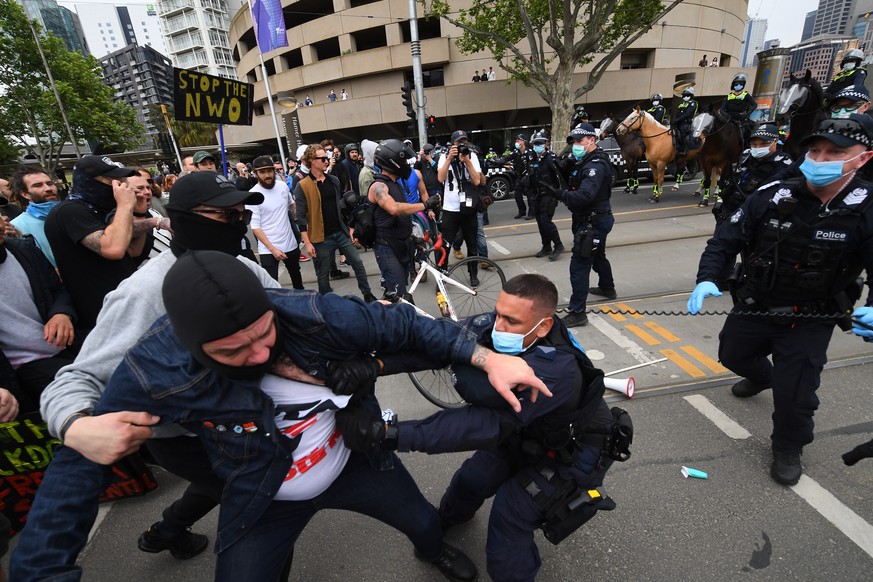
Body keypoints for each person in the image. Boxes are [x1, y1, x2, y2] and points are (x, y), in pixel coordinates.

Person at [18, 249, 550, 581]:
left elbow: (413, 330)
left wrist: (488, 357)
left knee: (424, 523)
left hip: (355, 461)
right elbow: (72, 478)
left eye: (262, 335)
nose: (256, 355)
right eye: (231, 352)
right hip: (263, 491)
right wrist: (78, 431)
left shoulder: (315, 314)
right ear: (190, 343)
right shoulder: (154, 367)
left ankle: (433, 552)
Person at [11, 173, 279, 581]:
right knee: (261, 506)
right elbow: (75, 379)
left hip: (235, 422)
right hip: (181, 438)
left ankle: (168, 530)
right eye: (226, 215)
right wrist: (75, 425)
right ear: (187, 220)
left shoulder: (241, 266)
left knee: (227, 484)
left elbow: (297, 312)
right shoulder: (144, 293)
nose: (238, 223)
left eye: (242, 214)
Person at [334, 274, 623, 582]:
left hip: (569, 453)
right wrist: (377, 366)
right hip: (526, 434)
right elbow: (446, 344)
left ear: (545, 326)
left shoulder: (554, 371)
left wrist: (390, 434)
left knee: (510, 514)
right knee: (473, 479)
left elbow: (482, 425)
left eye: (510, 321)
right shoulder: (505, 327)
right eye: (498, 313)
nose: (498, 326)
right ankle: (443, 523)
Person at [687, 114, 873, 486]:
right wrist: (708, 278)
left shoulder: (867, 208)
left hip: (812, 315)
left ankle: (788, 446)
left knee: (796, 394)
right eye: (815, 150)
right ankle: (763, 377)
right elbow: (725, 240)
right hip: (756, 301)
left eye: (835, 152)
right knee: (732, 355)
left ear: (863, 158)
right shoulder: (773, 193)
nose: (820, 160)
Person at [44, 155, 152, 332]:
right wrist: (125, 206)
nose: (120, 186)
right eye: (112, 181)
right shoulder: (70, 211)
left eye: (121, 180)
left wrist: (143, 216)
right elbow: (114, 248)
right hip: (103, 315)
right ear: (88, 182)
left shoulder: (101, 209)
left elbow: (132, 251)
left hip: (127, 304)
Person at [0, 215, 78, 414]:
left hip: (67, 346)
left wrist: (62, 313)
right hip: (24, 366)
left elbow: (58, 290)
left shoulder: (24, 250)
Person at [544, 124, 616, 328]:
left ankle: (578, 312)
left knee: (579, 265)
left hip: (593, 222)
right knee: (598, 255)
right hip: (592, 219)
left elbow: (585, 195)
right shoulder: (583, 160)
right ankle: (607, 288)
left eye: (579, 141)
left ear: (591, 140)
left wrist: (560, 195)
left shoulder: (595, 165)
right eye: (573, 142)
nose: (576, 145)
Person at [295, 145, 376, 300]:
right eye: (323, 159)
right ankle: (327, 301)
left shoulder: (333, 180)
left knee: (358, 263)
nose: (327, 161)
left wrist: (350, 228)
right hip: (321, 237)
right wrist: (307, 242)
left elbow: (342, 208)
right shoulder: (302, 186)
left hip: (340, 232)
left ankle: (367, 294)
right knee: (323, 273)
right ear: (312, 161)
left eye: (327, 158)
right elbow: (300, 217)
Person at [369, 139, 440, 300]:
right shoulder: (378, 186)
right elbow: (394, 208)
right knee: (398, 295)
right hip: (387, 248)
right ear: (393, 161)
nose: (407, 164)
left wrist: (412, 238)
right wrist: (425, 205)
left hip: (400, 244)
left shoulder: (395, 184)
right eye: (404, 160)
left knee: (400, 294)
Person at [711, 124, 793, 221]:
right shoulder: (745, 156)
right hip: (730, 211)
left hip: (756, 216)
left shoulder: (784, 163)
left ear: (775, 142)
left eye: (763, 144)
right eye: (754, 144)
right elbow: (733, 179)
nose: (758, 147)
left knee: (744, 126)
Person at [247, 155, 304, 289]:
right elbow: (255, 228)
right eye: (262, 172)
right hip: (268, 249)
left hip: (290, 244)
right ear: (255, 174)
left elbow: (292, 207)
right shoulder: (253, 195)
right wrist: (273, 249)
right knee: (272, 287)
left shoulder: (282, 186)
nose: (267, 175)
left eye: (269, 171)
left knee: (298, 282)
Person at [437, 130, 483, 285]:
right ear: (452, 144)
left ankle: (473, 274)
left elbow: (477, 181)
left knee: (472, 244)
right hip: (450, 208)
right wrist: (450, 158)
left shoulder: (472, 156)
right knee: (445, 245)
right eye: (459, 142)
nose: (462, 144)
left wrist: (467, 161)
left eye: (464, 141)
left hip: (468, 208)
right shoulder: (444, 157)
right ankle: (442, 275)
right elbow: (440, 178)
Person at [9, 166, 60, 267]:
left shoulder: (73, 215)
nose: (48, 188)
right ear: (25, 194)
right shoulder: (16, 227)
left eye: (50, 183)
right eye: (38, 185)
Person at [528, 130, 565, 261]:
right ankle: (546, 246)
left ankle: (558, 245)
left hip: (549, 194)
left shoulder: (550, 158)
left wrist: (561, 193)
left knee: (546, 220)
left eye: (540, 143)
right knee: (540, 221)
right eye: (535, 143)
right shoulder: (533, 157)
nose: (538, 145)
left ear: (545, 144)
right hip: (537, 194)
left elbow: (560, 175)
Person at [494, 133, 533, 220]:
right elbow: (506, 158)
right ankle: (522, 212)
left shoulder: (530, 153)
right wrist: (497, 161)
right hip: (519, 177)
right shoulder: (516, 152)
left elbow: (533, 165)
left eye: (518, 141)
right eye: (516, 141)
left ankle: (531, 213)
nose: (516, 142)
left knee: (530, 196)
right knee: (517, 195)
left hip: (528, 177)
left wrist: (530, 176)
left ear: (523, 142)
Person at [720, 74, 757, 148]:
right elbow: (722, 109)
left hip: (741, 119)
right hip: (729, 119)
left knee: (748, 130)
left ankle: (747, 147)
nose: (739, 85)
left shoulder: (746, 95)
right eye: (737, 84)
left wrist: (747, 113)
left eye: (741, 84)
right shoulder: (729, 96)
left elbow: (754, 105)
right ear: (733, 85)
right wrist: (726, 115)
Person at [673, 87, 698, 157]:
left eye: (687, 95)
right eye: (684, 95)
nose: (685, 97)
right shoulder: (682, 104)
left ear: (691, 96)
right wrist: (674, 120)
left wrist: (678, 119)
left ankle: (684, 150)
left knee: (682, 135)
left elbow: (687, 114)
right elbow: (677, 113)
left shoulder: (693, 103)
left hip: (687, 124)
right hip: (679, 123)